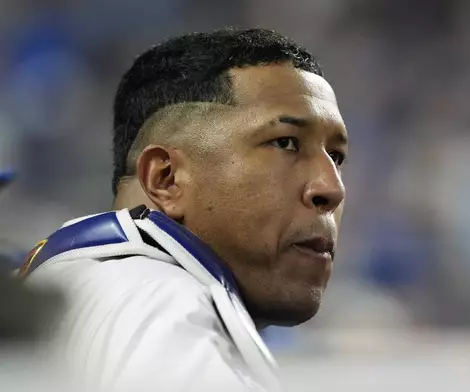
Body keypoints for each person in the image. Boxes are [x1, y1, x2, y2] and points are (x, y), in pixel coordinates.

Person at [21, 28, 348, 391]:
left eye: (336, 157)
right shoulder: (160, 303)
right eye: (285, 143)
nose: (331, 188)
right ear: (166, 178)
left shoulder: (87, 284)